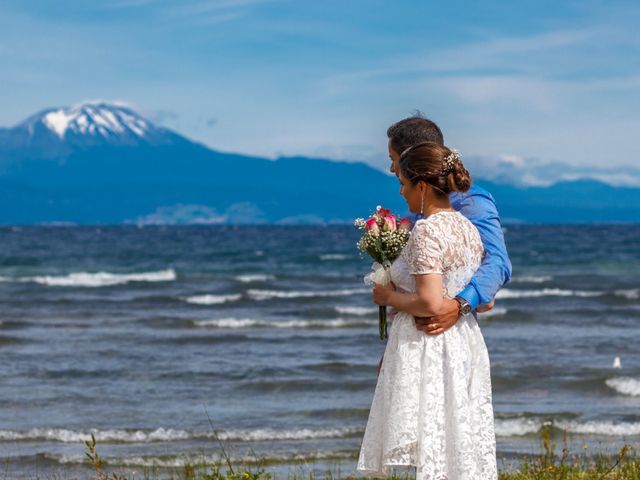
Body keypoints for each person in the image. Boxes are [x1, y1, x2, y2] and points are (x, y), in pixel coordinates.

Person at [357, 142, 497, 479]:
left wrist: (387, 297)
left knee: (432, 439)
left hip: (427, 346)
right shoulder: (468, 229)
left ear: (422, 186)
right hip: (463, 341)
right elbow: (487, 299)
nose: (402, 193)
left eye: (403, 184)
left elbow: (430, 302)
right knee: (455, 439)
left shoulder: (426, 231)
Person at [387, 115, 511, 336]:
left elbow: (498, 261)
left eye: (393, 159)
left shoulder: (472, 201)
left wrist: (460, 304)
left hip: (449, 330)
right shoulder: (416, 210)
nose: (390, 168)